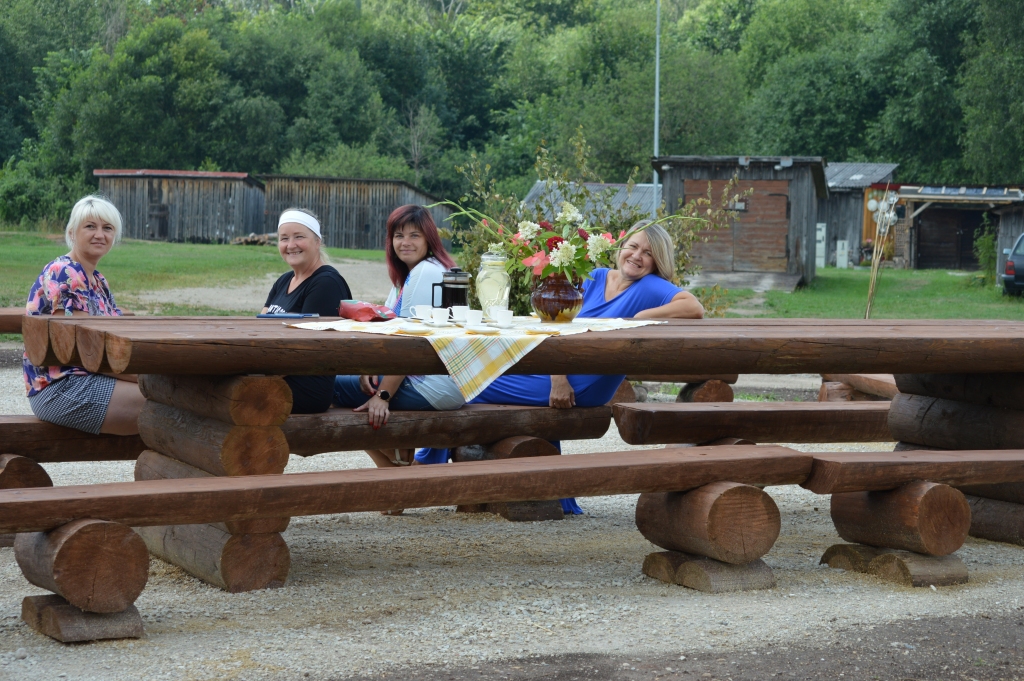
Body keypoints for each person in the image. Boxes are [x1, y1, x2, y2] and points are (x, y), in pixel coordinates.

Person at [414, 221, 705, 513]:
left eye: (648, 253)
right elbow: (558, 324)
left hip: (587, 385)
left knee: (469, 382)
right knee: (475, 373)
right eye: (633, 246)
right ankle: (560, 498)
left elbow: (694, 308)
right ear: (621, 247)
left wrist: (640, 317)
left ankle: (424, 464)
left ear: (657, 261)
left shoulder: (650, 286)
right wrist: (558, 377)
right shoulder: (595, 277)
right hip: (561, 373)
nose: (637, 256)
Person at [332, 204, 465, 469]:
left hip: (433, 385)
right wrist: (369, 369)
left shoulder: (426, 273)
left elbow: (409, 343)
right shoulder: (410, 275)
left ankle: (396, 463)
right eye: (398, 235)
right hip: (426, 378)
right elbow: (388, 331)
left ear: (429, 239)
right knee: (349, 385)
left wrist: (383, 396)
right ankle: (396, 461)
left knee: (326, 387)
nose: (405, 242)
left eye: (414, 235)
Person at [23, 195, 146, 436]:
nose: (100, 234)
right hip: (60, 386)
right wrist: (146, 379)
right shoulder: (64, 271)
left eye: (107, 228)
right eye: (90, 226)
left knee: (176, 397)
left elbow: (116, 337)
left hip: (90, 375)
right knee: (170, 404)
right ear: (72, 232)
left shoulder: (98, 280)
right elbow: (83, 350)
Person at [263, 208, 352, 413]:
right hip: (275, 374)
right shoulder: (284, 280)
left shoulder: (326, 283)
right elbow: (260, 327)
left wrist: (257, 375)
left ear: (317, 241)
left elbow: (307, 351)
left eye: (299, 237)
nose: (291, 245)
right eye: (284, 238)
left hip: (305, 387)